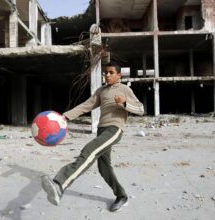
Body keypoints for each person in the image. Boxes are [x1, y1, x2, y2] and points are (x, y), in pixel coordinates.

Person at [41, 61, 144, 212]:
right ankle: (122, 196)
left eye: (111, 73)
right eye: (105, 73)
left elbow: (141, 109)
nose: (107, 75)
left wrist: (125, 103)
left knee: (89, 151)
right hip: (101, 130)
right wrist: (65, 117)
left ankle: (60, 184)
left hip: (114, 129)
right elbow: (86, 106)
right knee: (104, 168)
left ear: (119, 75)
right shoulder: (101, 91)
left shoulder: (124, 89)